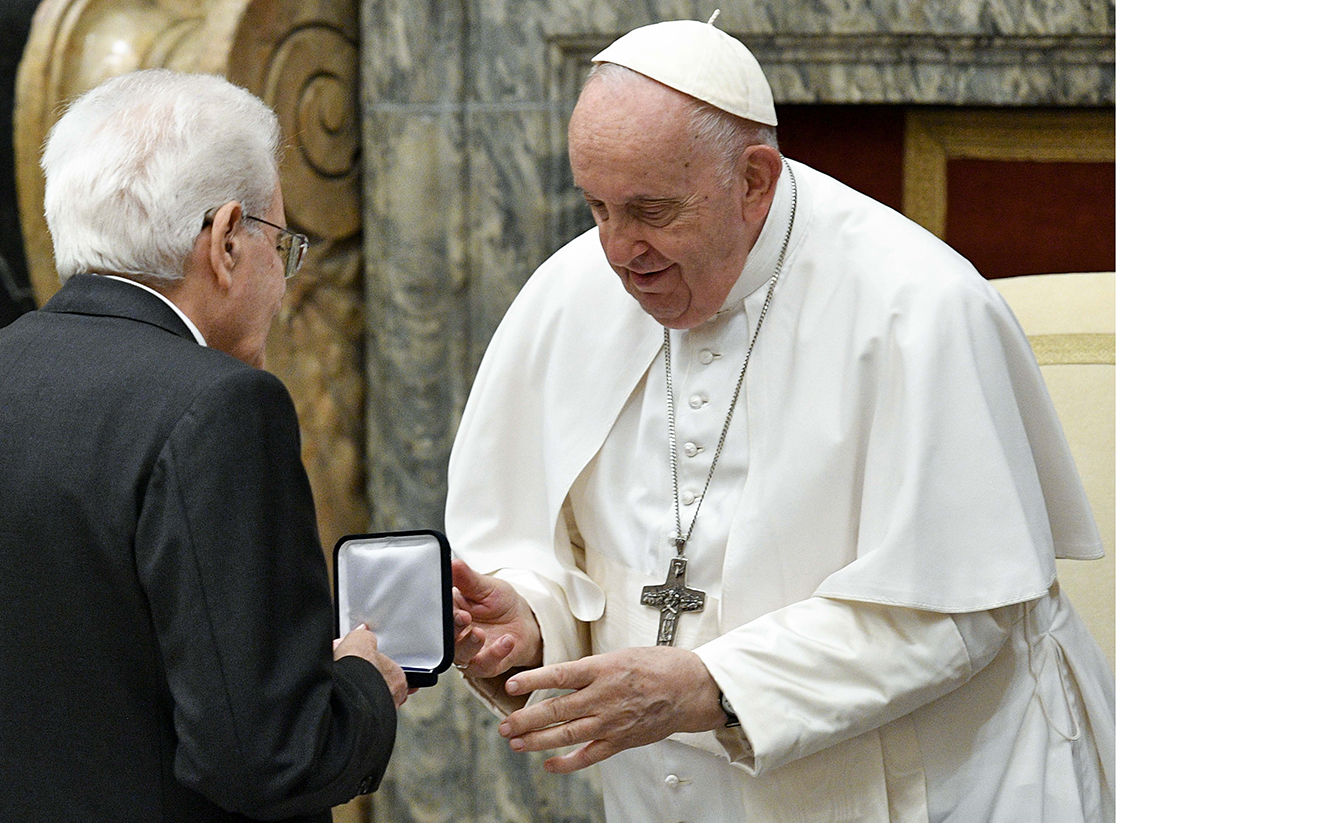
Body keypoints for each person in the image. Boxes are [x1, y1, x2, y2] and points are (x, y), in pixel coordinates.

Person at [444, 19, 1115, 823]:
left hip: (937, 784)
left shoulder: (918, 305)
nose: (621, 251)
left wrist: (711, 685)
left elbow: (958, 612)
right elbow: (552, 548)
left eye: (652, 210)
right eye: (598, 207)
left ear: (755, 180)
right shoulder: (570, 293)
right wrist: (526, 619)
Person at [0, 69, 406, 822]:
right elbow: (268, 757)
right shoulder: (220, 405)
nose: (282, 285)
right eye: (280, 246)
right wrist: (362, 686)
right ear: (226, 239)